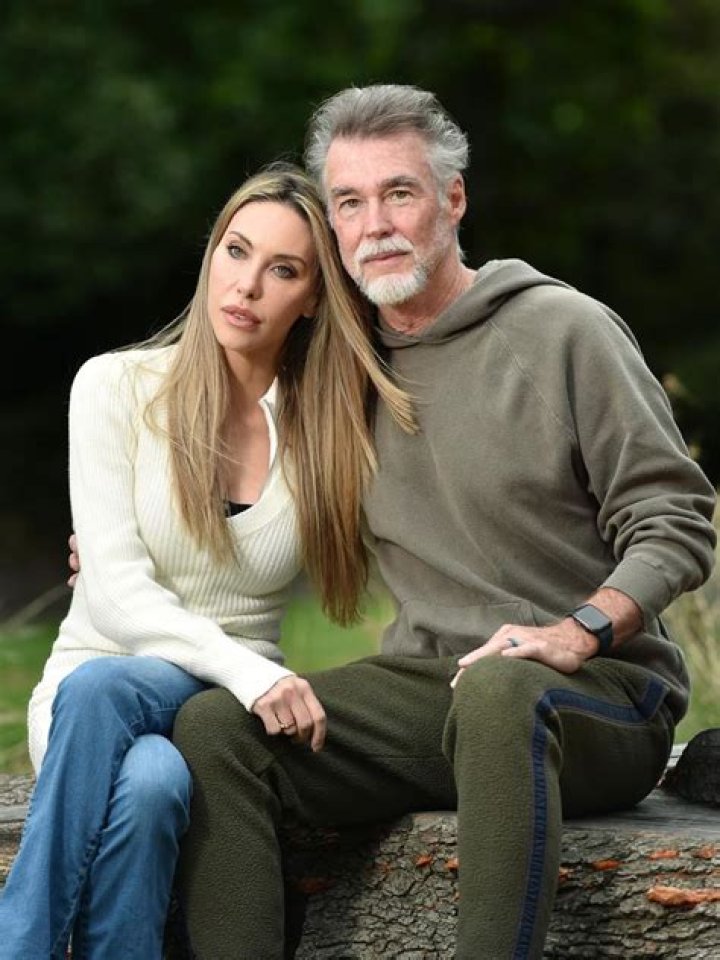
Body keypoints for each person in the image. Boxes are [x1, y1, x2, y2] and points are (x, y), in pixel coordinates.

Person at [162, 86, 718, 960]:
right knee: (215, 728)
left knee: (500, 692)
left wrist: (577, 631)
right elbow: (251, 491)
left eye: (400, 193)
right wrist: (130, 540)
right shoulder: (341, 366)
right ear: (331, 224)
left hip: (599, 695)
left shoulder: (563, 330)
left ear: (452, 199)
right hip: (430, 691)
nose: (375, 224)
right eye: (350, 202)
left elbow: (676, 518)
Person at [0, 162, 413, 959]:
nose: (247, 285)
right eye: (236, 250)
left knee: (132, 726)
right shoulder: (115, 387)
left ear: (314, 297)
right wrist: (252, 673)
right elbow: (115, 595)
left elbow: (424, 544)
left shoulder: (331, 433)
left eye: (283, 270)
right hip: (96, 700)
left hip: (221, 715)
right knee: (147, 773)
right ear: (212, 254)